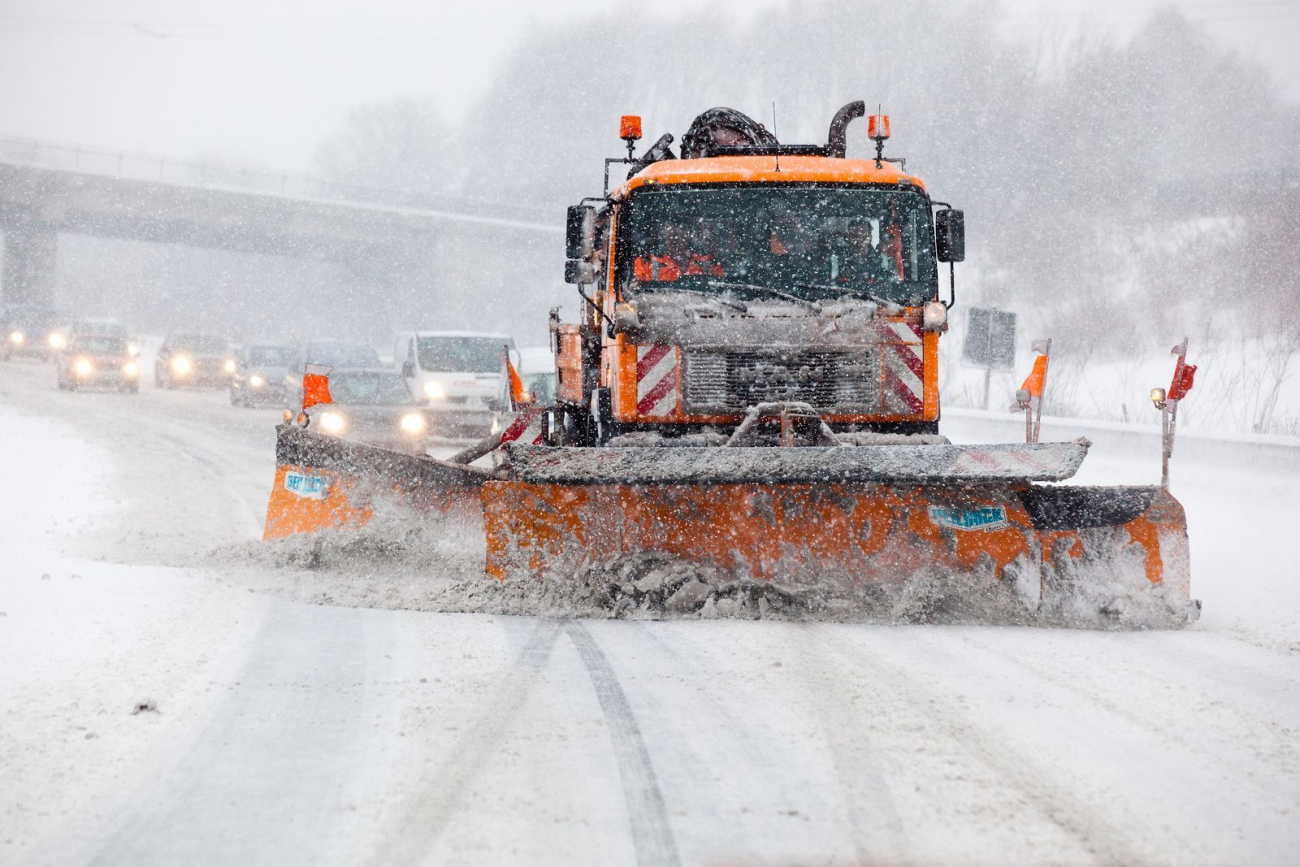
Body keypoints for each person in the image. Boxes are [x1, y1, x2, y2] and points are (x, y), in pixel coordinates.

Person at [633, 222, 724, 282]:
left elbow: (721, 291)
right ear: (664, 237)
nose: (674, 240)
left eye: (679, 236)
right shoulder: (645, 264)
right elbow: (634, 296)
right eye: (671, 237)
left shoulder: (708, 264)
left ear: (689, 237)